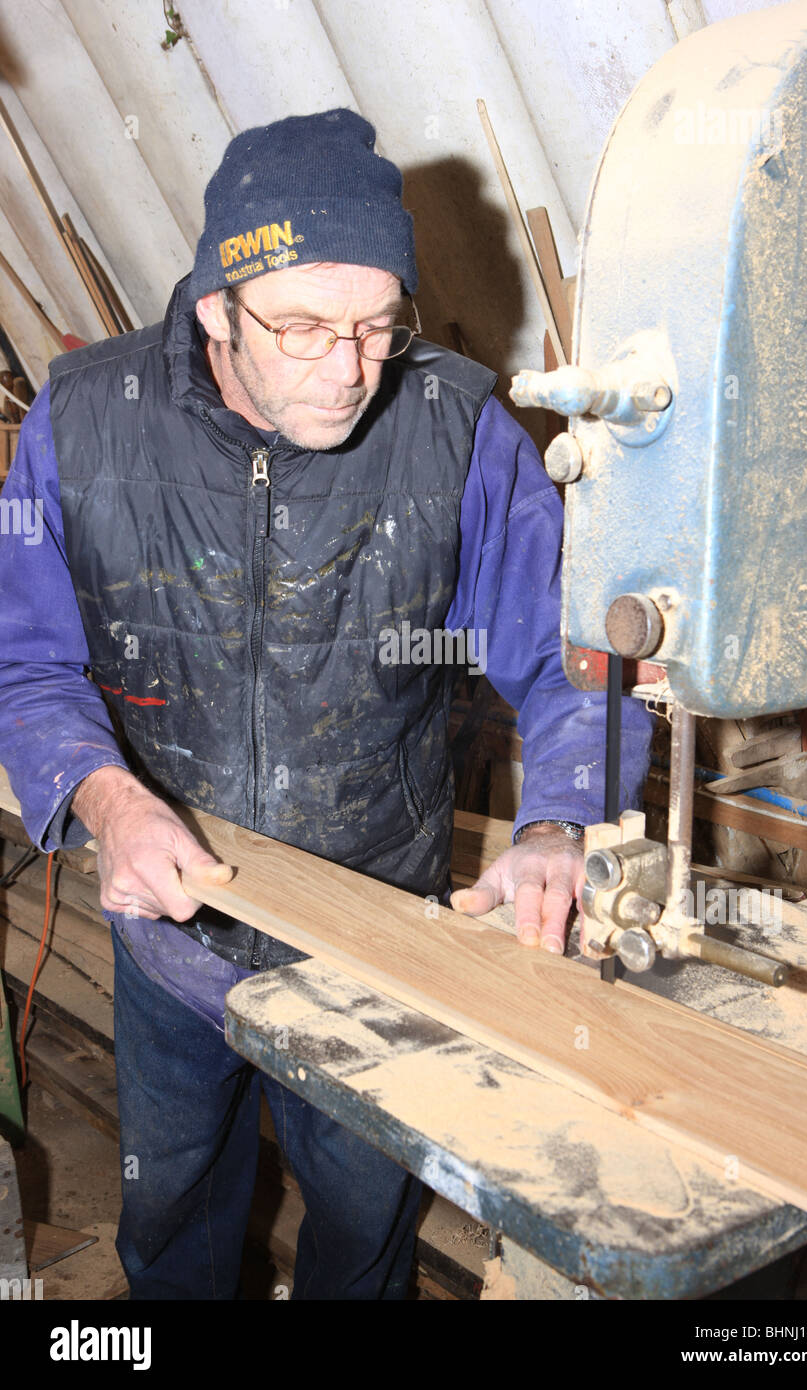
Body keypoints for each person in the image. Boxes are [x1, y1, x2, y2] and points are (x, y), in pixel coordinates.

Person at [0, 109, 651, 1299]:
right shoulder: (85, 424)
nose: (350, 370)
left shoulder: (455, 429)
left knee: (363, 1233)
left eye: (374, 327)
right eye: (302, 329)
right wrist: (109, 803)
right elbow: (27, 662)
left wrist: (558, 822)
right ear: (213, 309)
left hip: (380, 934)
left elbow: (578, 665)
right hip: (168, 922)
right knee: (174, 1208)